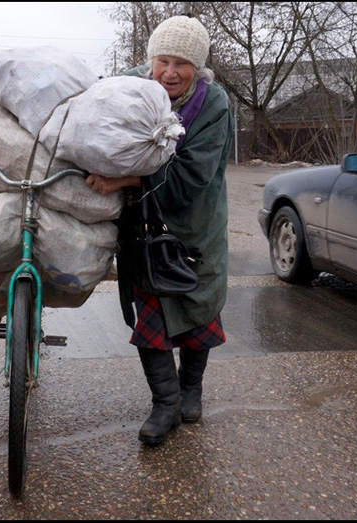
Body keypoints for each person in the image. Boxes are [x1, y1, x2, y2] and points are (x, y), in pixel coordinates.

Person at [86, 15, 233, 446]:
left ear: (199, 68)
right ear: (150, 60)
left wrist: (126, 179)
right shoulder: (131, 86)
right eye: (162, 60)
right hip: (143, 225)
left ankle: (191, 391)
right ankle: (164, 404)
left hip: (194, 222)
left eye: (182, 64)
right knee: (150, 309)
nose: (170, 72)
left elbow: (190, 179)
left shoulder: (213, 105)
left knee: (196, 308)